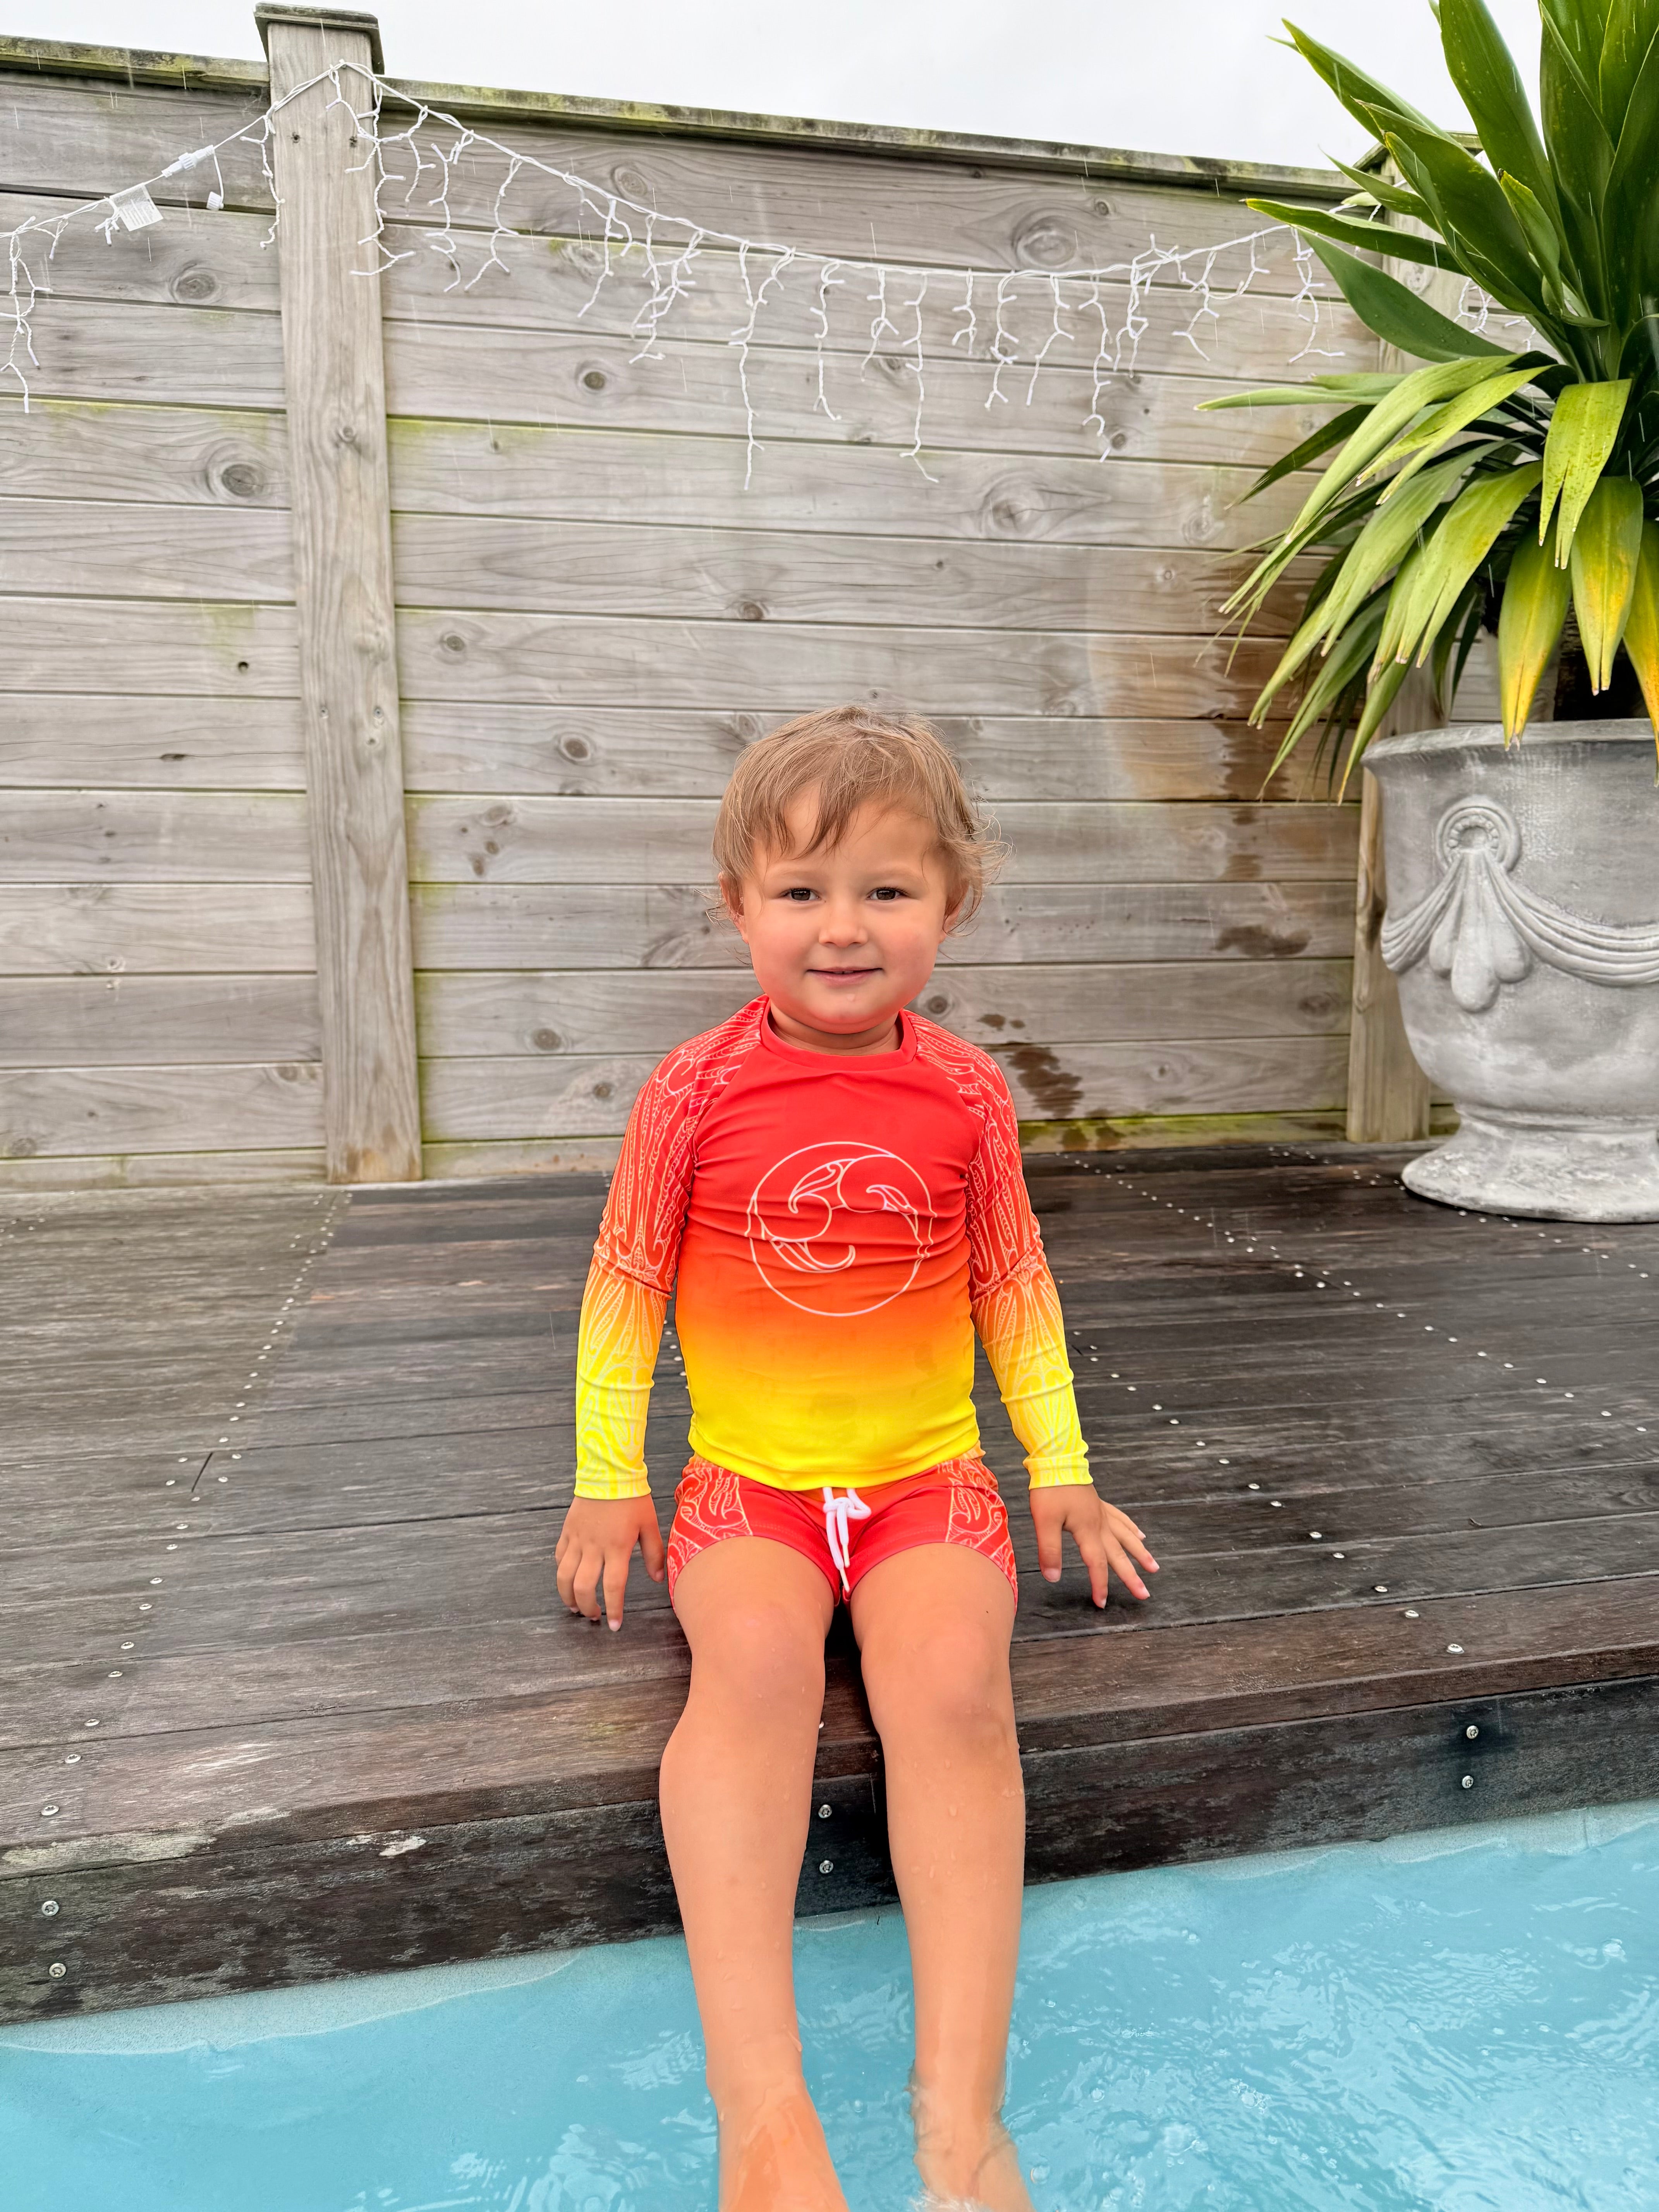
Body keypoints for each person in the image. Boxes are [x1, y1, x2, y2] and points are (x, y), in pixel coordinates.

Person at [555, 708, 1158, 2209]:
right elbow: (625, 1283)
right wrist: (608, 1475)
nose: (842, 927)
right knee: (753, 1673)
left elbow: (1014, 1283)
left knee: (952, 1689)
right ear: (736, 905)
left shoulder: (966, 1093)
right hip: (748, 1489)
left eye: (886, 890)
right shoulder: (692, 1090)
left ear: (953, 901)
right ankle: (762, 2112)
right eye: (800, 891)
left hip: (925, 1485)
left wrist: (1062, 1465)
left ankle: (962, 2112)